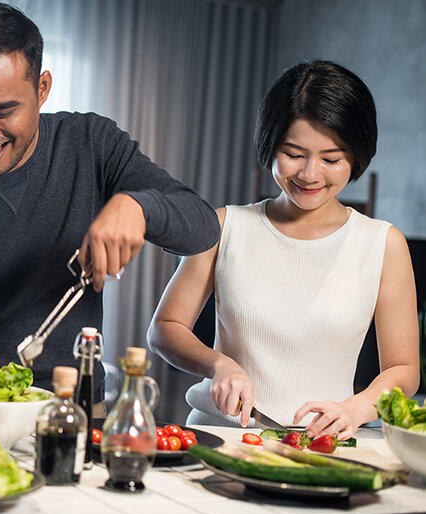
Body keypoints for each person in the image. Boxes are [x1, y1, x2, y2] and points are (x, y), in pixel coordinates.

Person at [0, 1, 220, 402]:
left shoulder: (90, 143)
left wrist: (138, 207)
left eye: (3, 110)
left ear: (42, 88)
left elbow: (201, 227)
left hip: (73, 405)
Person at [147, 60, 420, 440]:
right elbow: (165, 328)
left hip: (324, 446)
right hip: (222, 438)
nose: (310, 174)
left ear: (356, 156)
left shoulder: (383, 244)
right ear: (269, 145)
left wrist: (357, 408)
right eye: (294, 153)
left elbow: (403, 368)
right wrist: (218, 365)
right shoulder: (224, 226)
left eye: (331, 159)